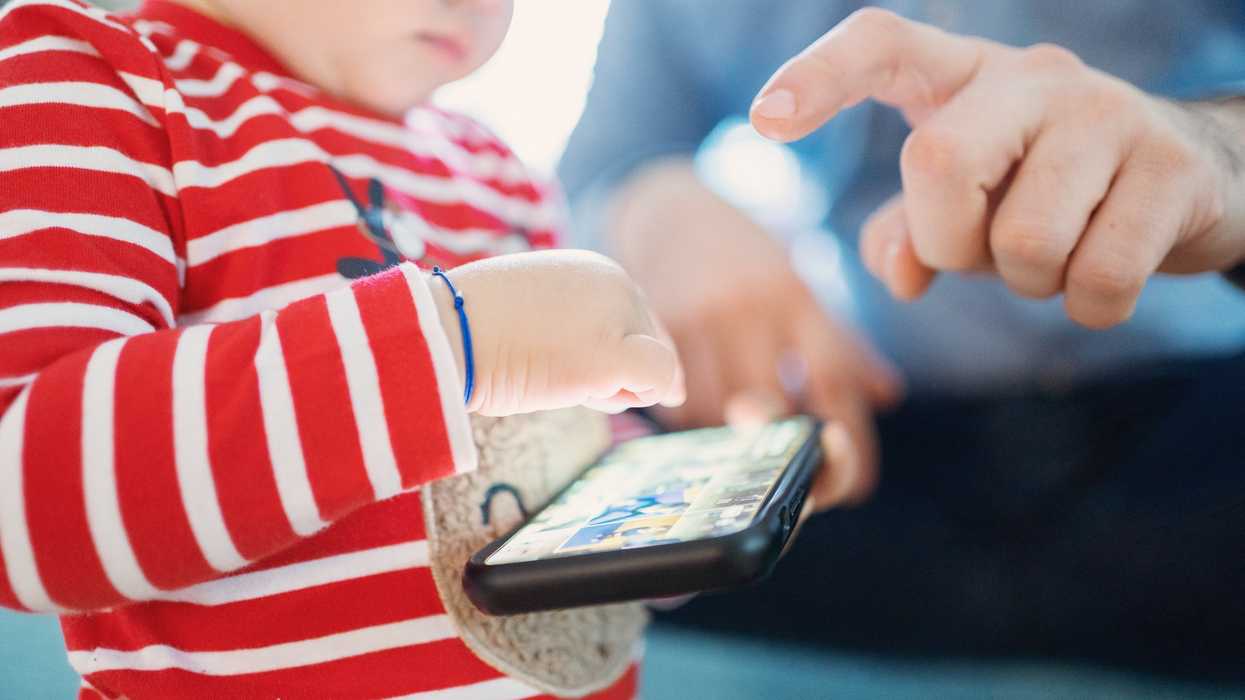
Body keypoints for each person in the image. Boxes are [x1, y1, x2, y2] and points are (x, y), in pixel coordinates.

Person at [0, 0, 690, 697]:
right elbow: (24, 507)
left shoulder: (499, 172)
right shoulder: (105, 80)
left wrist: (673, 507)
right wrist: (451, 344)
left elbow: (564, 441)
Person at [559, 0, 1245, 676]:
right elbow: (596, 168)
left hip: (1200, 424)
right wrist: (649, 203)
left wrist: (1221, 152)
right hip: (885, 442)